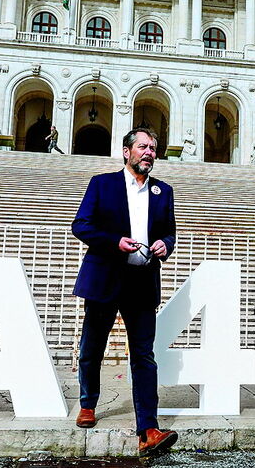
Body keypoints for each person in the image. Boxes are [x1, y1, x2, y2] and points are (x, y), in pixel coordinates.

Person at [71, 127, 178, 459]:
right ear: (126, 151)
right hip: (106, 276)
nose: (149, 152)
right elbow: (82, 225)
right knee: (93, 346)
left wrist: (165, 245)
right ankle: (88, 403)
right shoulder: (102, 184)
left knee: (144, 356)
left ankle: (148, 427)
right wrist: (115, 241)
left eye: (153, 148)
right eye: (143, 147)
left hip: (142, 281)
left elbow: (170, 233)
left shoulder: (164, 191)